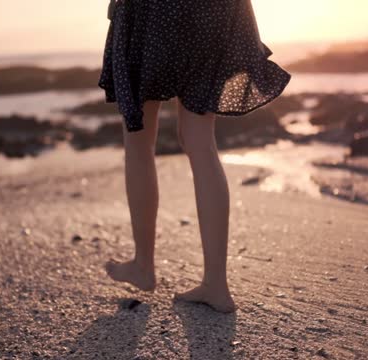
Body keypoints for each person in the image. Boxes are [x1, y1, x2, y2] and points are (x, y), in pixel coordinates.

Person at [98, 0, 291, 313]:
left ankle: (143, 265)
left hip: (153, 11)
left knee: (139, 140)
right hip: (216, 10)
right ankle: (216, 284)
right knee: (201, 144)